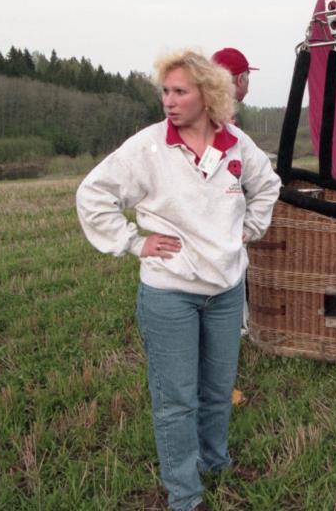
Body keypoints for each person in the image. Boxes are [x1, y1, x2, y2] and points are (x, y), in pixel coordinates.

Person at [75, 49, 280, 511]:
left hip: (226, 291)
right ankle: (185, 496)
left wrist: (250, 228)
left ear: (207, 94)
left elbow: (268, 185)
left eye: (179, 91)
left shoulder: (235, 143)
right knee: (177, 400)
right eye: (165, 91)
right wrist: (133, 241)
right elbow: (93, 194)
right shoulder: (148, 147)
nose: (168, 100)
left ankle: (215, 461)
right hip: (170, 294)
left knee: (217, 390)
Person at [212, 46, 258, 407]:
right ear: (239, 80)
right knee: (216, 304)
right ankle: (218, 387)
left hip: (217, 223)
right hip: (216, 227)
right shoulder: (218, 123)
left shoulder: (214, 116)